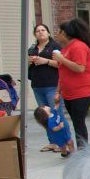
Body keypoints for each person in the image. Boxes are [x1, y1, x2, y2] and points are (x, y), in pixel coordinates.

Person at [52, 18, 90, 148]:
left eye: (59, 31)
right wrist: (58, 91)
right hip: (69, 93)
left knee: (78, 123)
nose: (57, 34)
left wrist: (61, 59)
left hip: (82, 92)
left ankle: (83, 151)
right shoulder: (66, 48)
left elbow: (80, 68)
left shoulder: (78, 46)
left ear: (65, 33)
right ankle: (82, 150)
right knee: (77, 122)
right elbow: (62, 72)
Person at [27, 23, 71, 151]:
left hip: (52, 84)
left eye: (43, 30)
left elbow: (61, 64)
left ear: (48, 33)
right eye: (37, 31)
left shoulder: (55, 46)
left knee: (57, 114)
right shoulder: (32, 48)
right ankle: (53, 142)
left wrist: (45, 61)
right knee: (44, 116)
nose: (40, 32)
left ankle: (65, 142)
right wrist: (30, 61)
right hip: (37, 85)